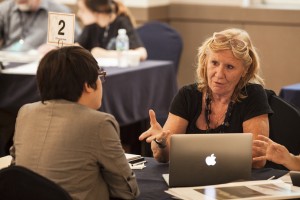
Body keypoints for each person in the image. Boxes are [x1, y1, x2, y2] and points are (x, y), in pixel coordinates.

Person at [10, 46, 139, 200]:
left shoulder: (25, 112)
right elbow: (127, 192)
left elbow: (16, 169)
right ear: (88, 85)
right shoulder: (99, 123)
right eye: (100, 76)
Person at [139, 28, 273, 168]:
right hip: (189, 179)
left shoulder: (253, 96)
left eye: (229, 67)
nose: (219, 74)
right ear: (205, 62)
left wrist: (194, 155)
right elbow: (163, 157)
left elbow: (258, 160)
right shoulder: (187, 95)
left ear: (245, 70)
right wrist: (161, 143)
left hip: (237, 183)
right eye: (214, 63)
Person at [77, 0, 147, 60]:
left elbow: (142, 53)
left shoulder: (121, 22)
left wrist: (105, 54)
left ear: (97, 11)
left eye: (82, 10)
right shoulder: (91, 26)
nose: (78, 14)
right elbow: (77, 46)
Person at [0, 0, 81, 52]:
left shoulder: (59, 12)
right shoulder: (5, 9)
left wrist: (56, 48)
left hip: (44, 67)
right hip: (7, 63)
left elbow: (75, 45)